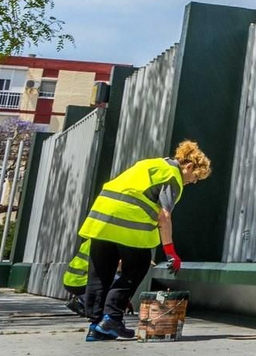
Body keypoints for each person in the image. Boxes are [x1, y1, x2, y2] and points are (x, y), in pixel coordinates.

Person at [77, 140, 211, 342]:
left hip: (101, 220)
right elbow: (164, 216)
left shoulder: (149, 164)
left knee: (100, 274)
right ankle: (112, 317)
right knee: (137, 266)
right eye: (195, 177)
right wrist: (170, 252)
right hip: (128, 223)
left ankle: (96, 327)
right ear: (189, 166)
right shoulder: (173, 176)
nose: (193, 182)